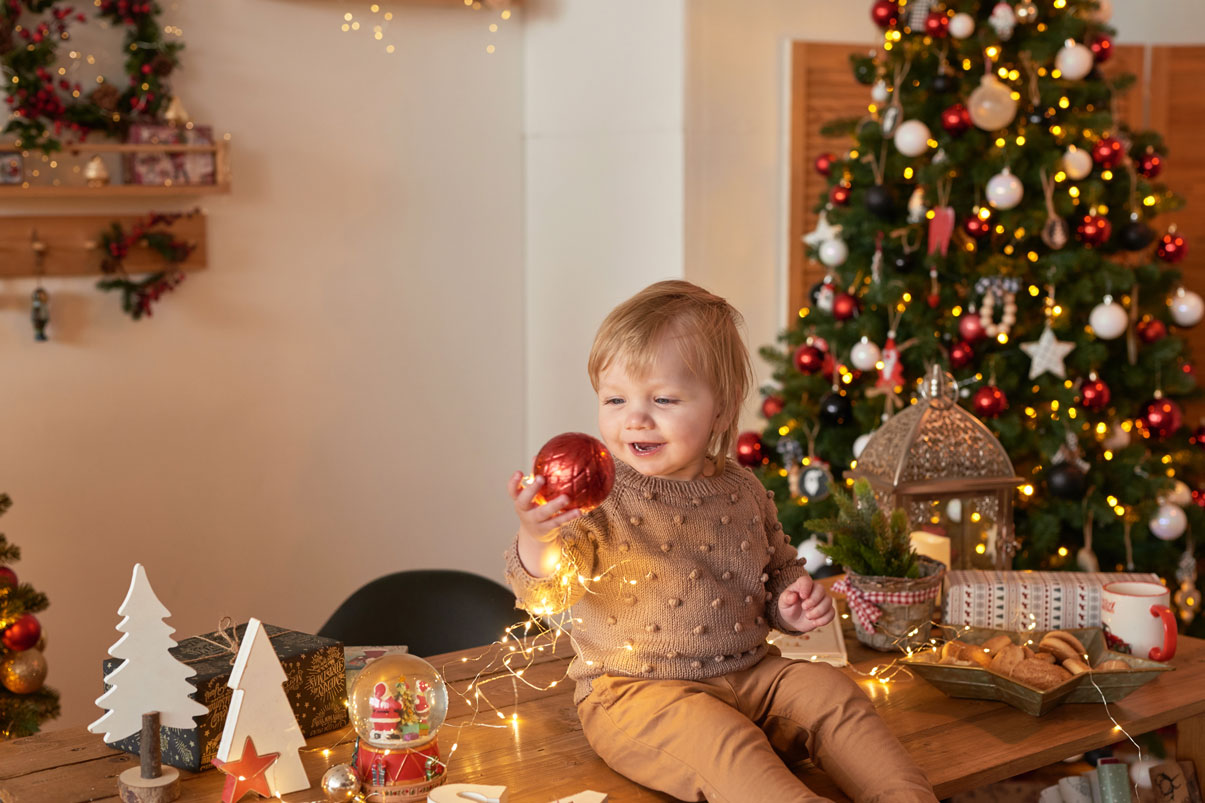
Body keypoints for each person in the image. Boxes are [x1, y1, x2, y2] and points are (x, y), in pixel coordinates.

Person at [503, 280, 937, 803]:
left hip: (752, 673)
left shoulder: (742, 488)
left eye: (663, 399)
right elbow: (549, 589)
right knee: (731, 750)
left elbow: (776, 568)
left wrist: (791, 601)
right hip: (637, 693)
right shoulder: (600, 497)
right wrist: (537, 534)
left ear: (722, 410)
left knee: (833, 694)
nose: (635, 417)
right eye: (614, 398)